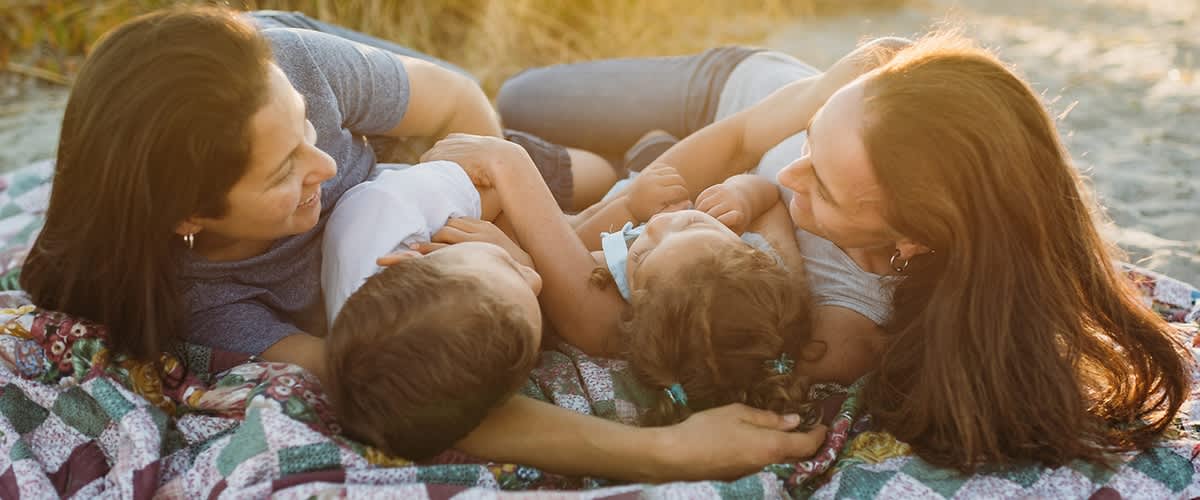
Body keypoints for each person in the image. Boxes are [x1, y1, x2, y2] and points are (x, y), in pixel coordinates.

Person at [19, 5, 826, 482]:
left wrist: (518, 221)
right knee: (626, 172)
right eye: (282, 174)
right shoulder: (200, 300)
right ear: (186, 219)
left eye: (306, 130)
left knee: (584, 156)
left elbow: (458, 106)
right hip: (442, 229)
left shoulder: (287, 62)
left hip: (450, 170)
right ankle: (718, 104)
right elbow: (410, 394)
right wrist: (669, 452)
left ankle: (722, 91)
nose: (327, 164)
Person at [496, 33, 1193, 471]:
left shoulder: (846, 325)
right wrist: (591, 220)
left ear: (913, 237)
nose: (789, 179)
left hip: (689, 181)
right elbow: (742, 145)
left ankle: (607, 162)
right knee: (521, 95)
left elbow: (620, 324)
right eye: (807, 150)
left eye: (821, 187)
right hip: (737, 94)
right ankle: (615, 162)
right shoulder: (871, 89)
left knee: (527, 111)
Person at [422, 134, 822, 429]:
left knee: (613, 164)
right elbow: (771, 197)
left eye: (646, 254)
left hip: (614, 196)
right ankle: (638, 150)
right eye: (693, 224)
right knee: (648, 148)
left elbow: (569, 243)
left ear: (638, 303)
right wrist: (743, 195)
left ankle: (630, 154)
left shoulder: (616, 302)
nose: (660, 225)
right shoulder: (763, 270)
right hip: (649, 182)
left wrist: (519, 256)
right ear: (746, 249)